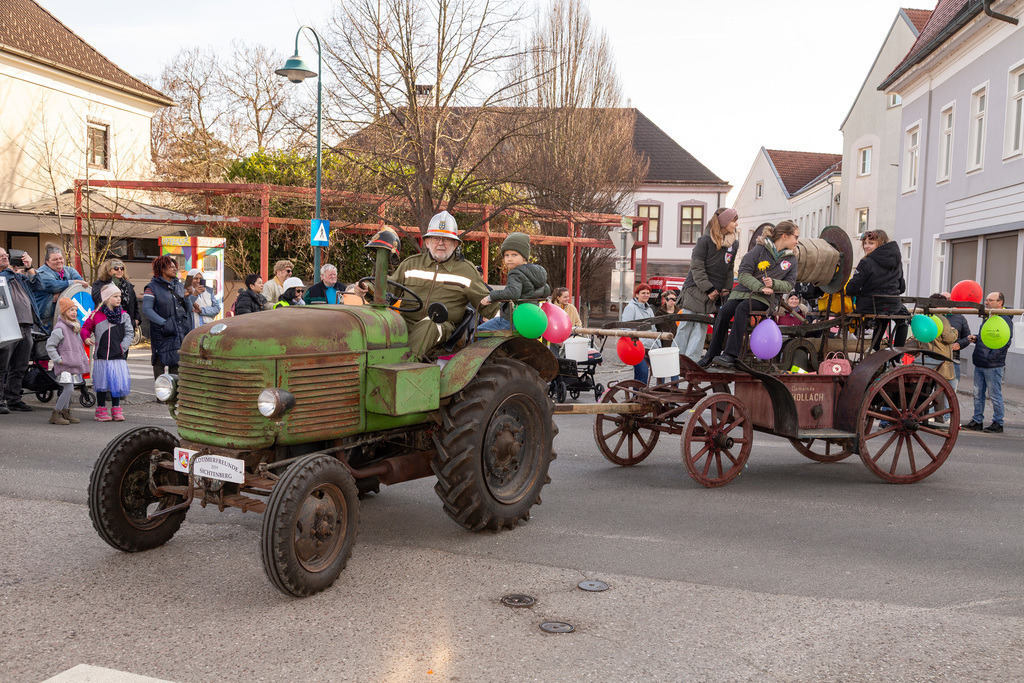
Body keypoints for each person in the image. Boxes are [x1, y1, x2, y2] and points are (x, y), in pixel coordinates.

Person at [378, 211, 498, 359]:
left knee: (429, 324)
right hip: (406, 322)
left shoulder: (466, 271)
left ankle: (405, 366)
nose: (440, 243)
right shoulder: (411, 264)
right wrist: (365, 288)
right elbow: (387, 287)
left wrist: (512, 312)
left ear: (455, 244)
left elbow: (486, 303)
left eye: (446, 239)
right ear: (427, 242)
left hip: (442, 326)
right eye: (436, 238)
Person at [699, 220, 799, 369]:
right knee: (724, 311)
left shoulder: (791, 259)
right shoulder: (760, 250)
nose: (797, 241)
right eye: (795, 237)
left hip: (766, 299)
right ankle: (711, 354)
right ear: (784, 236)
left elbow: (790, 284)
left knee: (743, 308)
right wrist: (760, 287)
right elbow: (743, 274)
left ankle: (730, 355)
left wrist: (774, 284)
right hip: (745, 292)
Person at [678, 207, 739, 362]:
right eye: (734, 220)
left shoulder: (734, 244)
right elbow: (697, 267)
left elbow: (729, 268)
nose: (736, 224)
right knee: (686, 326)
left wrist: (726, 288)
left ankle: (691, 363)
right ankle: (676, 361)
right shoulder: (704, 241)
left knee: (700, 329)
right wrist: (709, 288)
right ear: (724, 222)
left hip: (713, 294)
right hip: (695, 290)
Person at [844, 230, 908, 350]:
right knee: (902, 320)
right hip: (892, 303)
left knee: (881, 315)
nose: (866, 246)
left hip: (870, 305)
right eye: (865, 243)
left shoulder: (867, 262)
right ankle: (897, 355)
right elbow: (902, 287)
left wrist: (852, 291)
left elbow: (851, 288)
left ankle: (874, 349)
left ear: (880, 243)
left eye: (871, 243)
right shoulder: (897, 261)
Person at [963, 292, 1014, 433]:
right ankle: (977, 420)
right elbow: (988, 336)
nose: (986, 302)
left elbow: (1005, 341)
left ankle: (998, 423)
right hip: (980, 361)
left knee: (994, 394)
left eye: (990, 300)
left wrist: (991, 357)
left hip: (993, 364)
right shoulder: (989, 315)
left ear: (1000, 303)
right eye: (986, 300)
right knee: (977, 393)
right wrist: (977, 338)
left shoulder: (1005, 319)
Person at [478, 233, 551, 331]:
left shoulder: (515, 273)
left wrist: (491, 296)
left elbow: (513, 293)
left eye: (514, 255)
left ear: (524, 257)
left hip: (512, 320)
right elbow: (546, 290)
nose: (509, 259)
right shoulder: (536, 274)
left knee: (479, 331)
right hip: (530, 321)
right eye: (506, 255)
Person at [82, 284, 133, 421]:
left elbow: (129, 333)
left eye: (119, 296)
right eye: (115, 296)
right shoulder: (96, 316)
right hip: (102, 356)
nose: (118, 299)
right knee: (101, 384)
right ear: (106, 298)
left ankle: (116, 409)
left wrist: (123, 347)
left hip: (118, 356)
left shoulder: (124, 316)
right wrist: (86, 338)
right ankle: (101, 409)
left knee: (116, 383)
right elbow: (85, 329)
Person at [0, 247, 37, 413]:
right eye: (0, 256)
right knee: (3, 366)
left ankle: (14, 398)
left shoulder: (18, 277)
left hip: (25, 325)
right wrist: (10, 272)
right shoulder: (4, 276)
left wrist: (29, 268)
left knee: (20, 365)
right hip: (6, 325)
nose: (5, 257)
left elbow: (39, 285)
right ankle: (0, 401)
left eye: (6, 255)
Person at [142, 255, 191, 379]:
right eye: (171, 267)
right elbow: (147, 310)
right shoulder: (151, 287)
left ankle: (173, 396)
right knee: (159, 361)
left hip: (179, 331)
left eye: (176, 267)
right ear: (162, 269)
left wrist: (187, 297)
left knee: (176, 362)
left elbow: (188, 309)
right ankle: (161, 395)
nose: (175, 269)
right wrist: (164, 323)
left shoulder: (179, 286)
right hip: (161, 332)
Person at [45, 297, 89, 425]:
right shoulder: (61, 327)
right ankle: (56, 413)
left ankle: (65, 412)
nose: (74, 312)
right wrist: (58, 359)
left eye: (75, 310)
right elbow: (50, 345)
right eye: (71, 310)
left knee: (70, 388)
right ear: (64, 312)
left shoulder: (74, 327)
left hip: (73, 363)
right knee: (68, 389)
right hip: (64, 364)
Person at [29, 245, 87, 330]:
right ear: (47, 262)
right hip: (46, 319)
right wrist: (72, 282)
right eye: (55, 259)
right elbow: (54, 286)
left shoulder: (70, 271)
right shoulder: (42, 272)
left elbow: (80, 286)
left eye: (60, 258)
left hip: (65, 317)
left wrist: (61, 294)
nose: (59, 261)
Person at [91, 259, 140, 344]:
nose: (120, 271)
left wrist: (136, 319)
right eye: (116, 268)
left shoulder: (127, 285)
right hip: (106, 323)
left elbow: (134, 303)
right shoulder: (99, 284)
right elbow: (98, 299)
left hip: (125, 323)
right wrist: (112, 286)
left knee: (122, 352)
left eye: (122, 268)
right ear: (108, 270)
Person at [621, 283, 658, 384]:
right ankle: (637, 396)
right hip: (637, 347)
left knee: (660, 370)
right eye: (643, 293)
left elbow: (653, 329)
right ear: (637, 294)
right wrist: (637, 342)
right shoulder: (630, 308)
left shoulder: (650, 310)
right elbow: (625, 328)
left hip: (650, 346)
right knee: (642, 371)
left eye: (648, 293)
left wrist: (658, 345)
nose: (646, 295)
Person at [941, 290, 972, 392]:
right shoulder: (934, 317)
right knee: (933, 389)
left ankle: (949, 408)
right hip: (936, 357)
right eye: (943, 299)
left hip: (953, 359)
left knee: (951, 389)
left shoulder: (960, 317)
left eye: (948, 299)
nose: (946, 301)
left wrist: (960, 344)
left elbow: (967, 337)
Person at [655, 288, 683, 381]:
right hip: (662, 345)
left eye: (674, 299)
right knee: (661, 370)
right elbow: (655, 329)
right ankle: (660, 388)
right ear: (665, 300)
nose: (671, 301)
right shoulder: (659, 313)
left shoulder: (680, 313)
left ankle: (674, 390)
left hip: (675, 345)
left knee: (675, 370)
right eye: (669, 299)